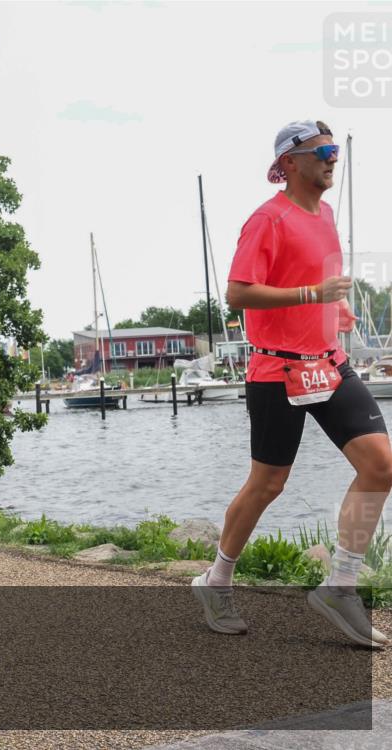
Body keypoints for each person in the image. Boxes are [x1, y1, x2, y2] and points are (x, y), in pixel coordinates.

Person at [193, 120, 391, 648]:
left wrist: (335, 304)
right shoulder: (266, 220)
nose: (332, 158)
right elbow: (237, 294)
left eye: (334, 150)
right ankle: (216, 581)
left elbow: (317, 281)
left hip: (327, 362)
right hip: (277, 369)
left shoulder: (325, 213)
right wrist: (312, 294)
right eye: (322, 150)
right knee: (269, 483)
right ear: (289, 162)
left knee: (381, 464)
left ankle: (340, 585)